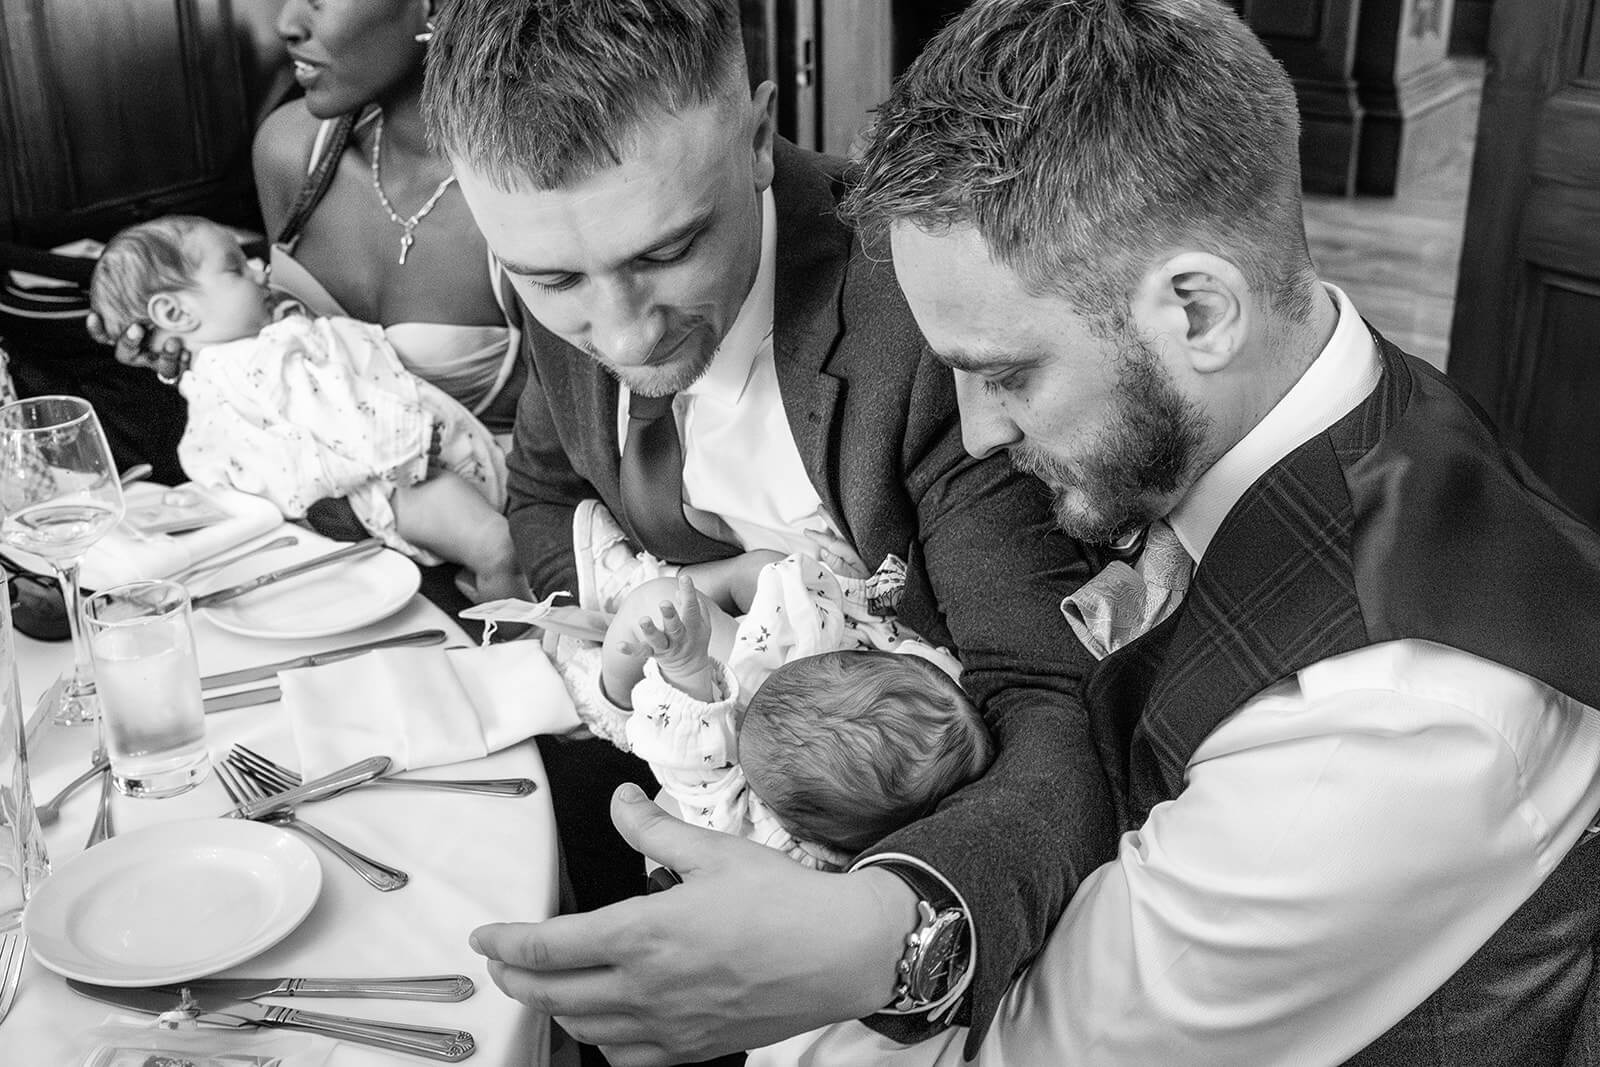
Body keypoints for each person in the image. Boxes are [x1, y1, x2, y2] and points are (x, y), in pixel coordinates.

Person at [755, 0, 1600, 1063]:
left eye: (1007, 372)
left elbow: (1032, 1049)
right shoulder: (1316, 391)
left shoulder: (1387, 722)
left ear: (1198, 310)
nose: (974, 433)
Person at [422, 0, 1111, 1062]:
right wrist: (656, 638)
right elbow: (543, 500)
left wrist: (886, 926)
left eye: (669, 251)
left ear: (753, 138)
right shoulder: (546, 260)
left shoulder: (923, 306)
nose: (619, 333)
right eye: (554, 282)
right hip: (670, 774)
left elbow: (1049, 694)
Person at [92, 0, 524, 434]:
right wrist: (196, 354)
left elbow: (565, 450)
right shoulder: (291, 152)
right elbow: (272, 372)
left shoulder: (522, 187)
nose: (286, 24)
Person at [88, 215, 527, 602]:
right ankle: (521, 647)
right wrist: (404, 446)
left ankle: (486, 594)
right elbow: (337, 413)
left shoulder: (211, 378)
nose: (259, 271)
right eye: (234, 268)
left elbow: (213, 462)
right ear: (175, 313)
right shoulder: (258, 360)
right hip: (402, 479)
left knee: (492, 538)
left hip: (390, 482)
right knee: (498, 547)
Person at [603, 565, 990, 873]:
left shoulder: (769, 843)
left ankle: (610, 701)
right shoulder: (939, 698)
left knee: (651, 600)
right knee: (753, 570)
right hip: (785, 669)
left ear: (815, 846)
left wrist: (686, 668)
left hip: (703, 733)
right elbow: (916, 661)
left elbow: (700, 775)